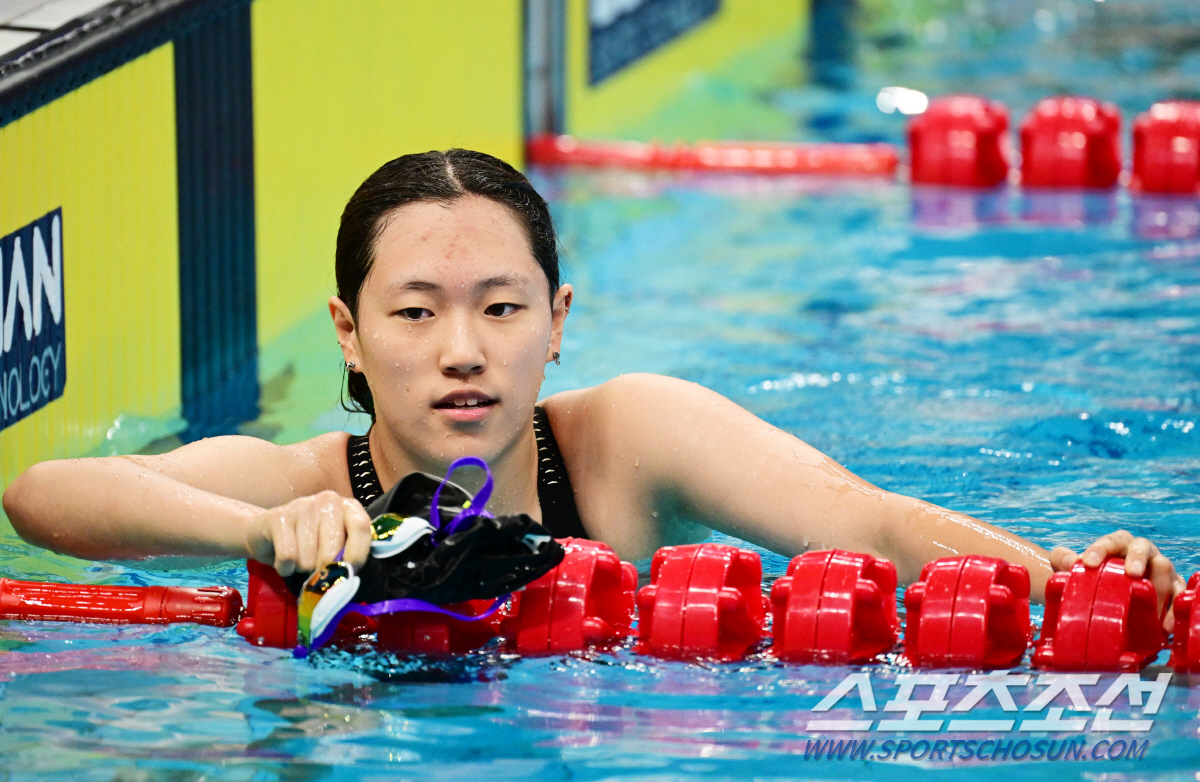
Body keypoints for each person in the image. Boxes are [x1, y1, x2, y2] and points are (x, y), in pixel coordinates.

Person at [2, 150, 1184, 628]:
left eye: (502, 307)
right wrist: (262, 530)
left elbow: (866, 519)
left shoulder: (629, 439)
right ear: (350, 336)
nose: (463, 350)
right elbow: (44, 491)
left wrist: (1070, 576)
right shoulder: (306, 480)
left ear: (557, 323)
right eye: (415, 312)